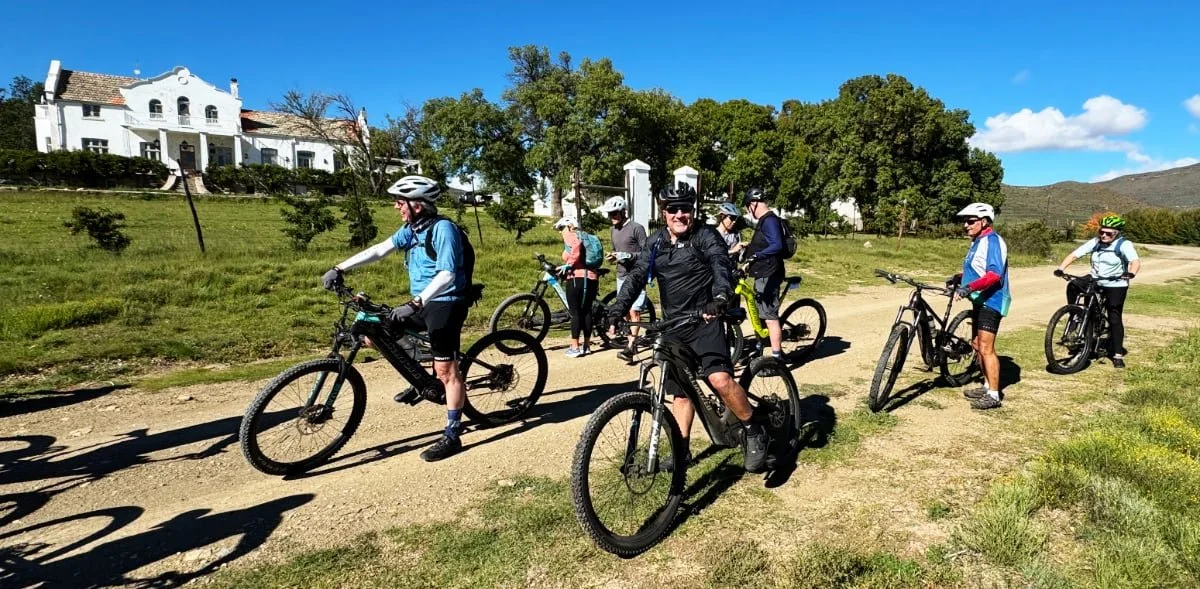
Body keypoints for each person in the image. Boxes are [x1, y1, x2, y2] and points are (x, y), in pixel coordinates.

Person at [607, 184, 769, 473]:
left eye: (685, 209)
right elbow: (636, 277)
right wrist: (618, 309)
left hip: (705, 321)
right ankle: (681, 451)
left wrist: (719, 298)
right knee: (680, 392)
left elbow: (721, 267)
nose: (680, 214)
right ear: (664, 212)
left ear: (692, 211)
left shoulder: (706, 236)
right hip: (673, 326)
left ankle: (753, 427)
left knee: (719, 380)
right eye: (673, 209)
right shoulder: (656, 242)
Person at [320, 175, 471, 461]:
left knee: (448, 372)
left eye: (400, 202)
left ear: (418, 204)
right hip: (422, 300)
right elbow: (379, 250)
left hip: (445, 302)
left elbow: (447, 274)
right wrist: (339, 268)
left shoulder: (444, 229)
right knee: (375, 334)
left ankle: (452, 435)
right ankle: (422, 380)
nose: (395, 206)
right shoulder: (412, 230)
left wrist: (415, 304)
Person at [1053, 214, 1140, 368]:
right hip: (1096, 279)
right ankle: (1075, 315)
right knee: (1073, 284)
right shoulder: (1095, 242)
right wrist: (1061, 268)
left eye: (1109, 233)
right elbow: (1075, 254)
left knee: (1114, 316)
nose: (1104, 235)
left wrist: (1131, 273)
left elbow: (1135, 261)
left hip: (1116, 283)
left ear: (1117, 233)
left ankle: (1117, 354)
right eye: (1101, 232)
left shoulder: (1124, 244)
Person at [948, 202, 1011, 410]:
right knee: (977, 345)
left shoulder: (993, 241)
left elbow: (993, 274)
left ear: (984, 222)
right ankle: (986, 386)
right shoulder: (978, 241)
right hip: (980, 299)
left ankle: (994, 395)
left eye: (971, 221)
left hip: (991, 301)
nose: (966, 225)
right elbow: (978, 270)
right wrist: (959, 278)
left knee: (986, 348)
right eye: (964, 221)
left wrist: (968, 288)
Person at [598, 195, 649, 362]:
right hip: (621, 275)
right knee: (625, 311)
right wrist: (614, 257)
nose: (611, 217)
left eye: (614, 213)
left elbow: (646, 253)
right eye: (609, 214)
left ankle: (631, 347)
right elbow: (616, 250)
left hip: (636, 275)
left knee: (634, 310)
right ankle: (630, 342)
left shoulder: (637, 228)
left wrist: (627, 255)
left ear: (622, 212)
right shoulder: (613, 230)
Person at [741, 188, 786, 359]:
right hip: (763, 272)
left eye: (747, 207)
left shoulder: (769, 221)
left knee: (769, 316)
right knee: (760, 312)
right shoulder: (765, 221)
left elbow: (777, 245)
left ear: (753, 204)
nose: (747, 211)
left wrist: (757, 255)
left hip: (770, 273)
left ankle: (776, 358)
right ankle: (759, 348)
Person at [554, 216, 599, 358]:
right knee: (586, 311)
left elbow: (576, 249)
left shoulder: (571, 235)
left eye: (561, 228)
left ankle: (575, 347)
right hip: (592, 277)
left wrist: (569, 264)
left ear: (569, 226)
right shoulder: (586, 236)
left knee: (575, 312)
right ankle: (586, 346)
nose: (560, 232)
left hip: (576, 279)